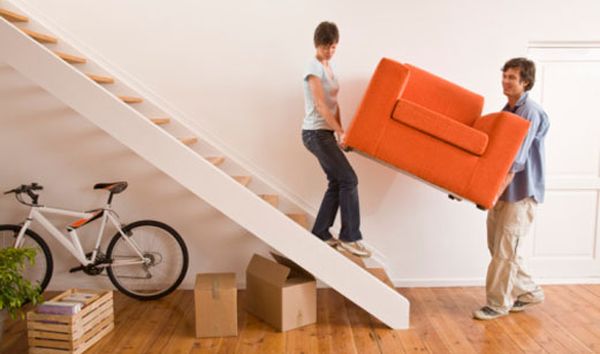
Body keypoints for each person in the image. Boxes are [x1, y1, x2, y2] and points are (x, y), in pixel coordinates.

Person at [474, 57, 550, 320]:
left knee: (506, 251)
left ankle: (497, 304)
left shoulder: (530, 112)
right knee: (498, 248)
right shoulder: (508, 110)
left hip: (521, 192)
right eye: (504, 76)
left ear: (525, 82)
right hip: (504, 190)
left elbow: (516, 160)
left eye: (512, 78)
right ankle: (530, 292)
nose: (505, 81)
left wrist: (492, 192)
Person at [301, 21, 371, 257]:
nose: (329, 51)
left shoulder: (329, 67)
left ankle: (321, 231)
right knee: (349, 179)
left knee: (337, 181)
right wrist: (338, 131)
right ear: (317, 44)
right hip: (314, 133)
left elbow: (334, 103)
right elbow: (321, 105)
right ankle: (350, 237)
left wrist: (341, 130)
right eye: (325, 46)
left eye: (333, 46)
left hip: (325, 132)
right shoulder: (313, 67)